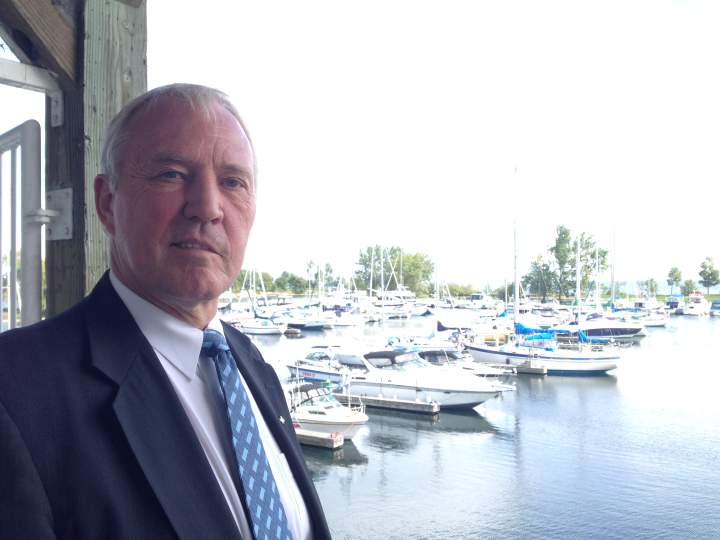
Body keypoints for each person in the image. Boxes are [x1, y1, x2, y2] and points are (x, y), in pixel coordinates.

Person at [0, 84, 331, 539]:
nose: (207, 208)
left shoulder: (251, 364)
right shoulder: (15, 390)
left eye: (233, 182)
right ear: (107, 203)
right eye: (172, 174)